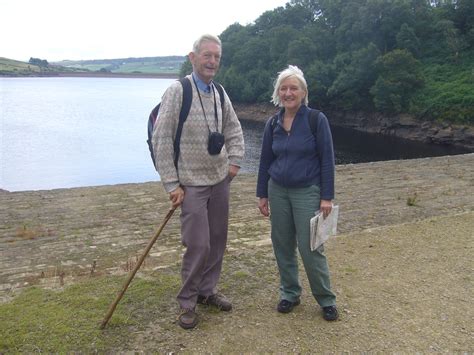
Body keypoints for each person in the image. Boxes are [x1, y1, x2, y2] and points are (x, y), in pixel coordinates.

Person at [152, 34, 245, 329]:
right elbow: (161, 138)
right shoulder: (178, 91)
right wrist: (171, 184)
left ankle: (207, 292)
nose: (212, 61)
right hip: (191, 183)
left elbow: (234, 129)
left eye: (216, 56)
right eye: (207, 55)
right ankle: (187, 302)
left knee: (217, 240)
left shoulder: (219, 93)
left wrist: (234, 163)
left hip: (219, 181)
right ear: (193, 58)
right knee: (198, 244)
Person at [256, 65, 338, 321]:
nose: (288, 92)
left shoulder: (316, 119)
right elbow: (265, 160)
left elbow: (327, 159)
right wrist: (262, 194)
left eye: (293, 88)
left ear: (303, 92)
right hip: (277, 190)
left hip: (307, 192)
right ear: (278, 92)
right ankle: (289, 293)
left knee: (311, 247)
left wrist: (327, 196)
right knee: (282, 245)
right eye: (284, 88)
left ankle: (326, 299)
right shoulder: (273, 122)